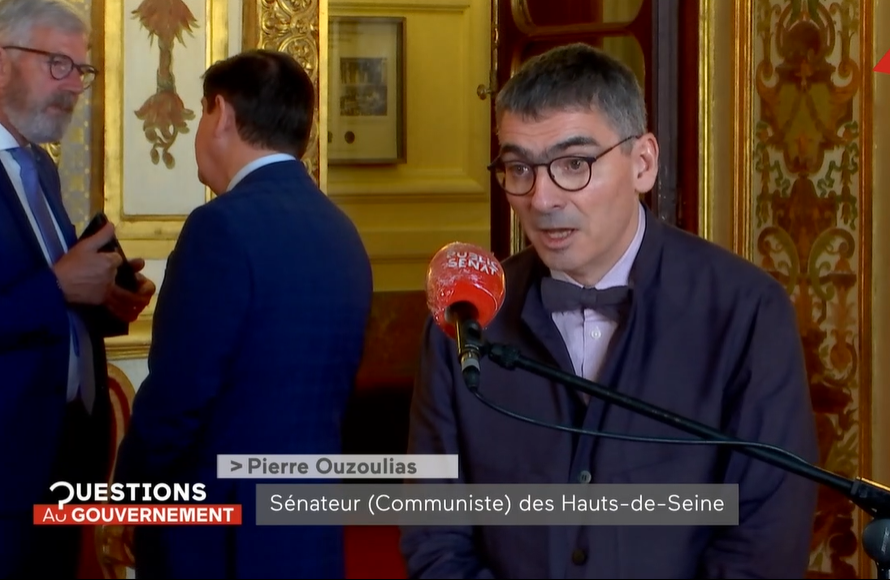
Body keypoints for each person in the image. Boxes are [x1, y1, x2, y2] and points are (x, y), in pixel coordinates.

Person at [401, 43, 819, 579]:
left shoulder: (747, 312)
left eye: (574, 164)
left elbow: (765, 538)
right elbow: (434, 534)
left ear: (643, 163)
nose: (542, 198)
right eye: (519, 168)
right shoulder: (464, 322)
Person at [113, 49, 374, 579]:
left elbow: (177, 400)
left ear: (222, 114)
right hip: (307, 534)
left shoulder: (219, 227)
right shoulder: (341, 230)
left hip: (217, 540)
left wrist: (127, 499)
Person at [0, 0, 156, 577]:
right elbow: (48, 288)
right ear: (1, 64)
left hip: (63, 457)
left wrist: (106, 299)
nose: (73, 87)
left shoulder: (39, 166)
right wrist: (58, 286)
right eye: (57, 64)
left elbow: (53, 292)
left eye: (81, 71)